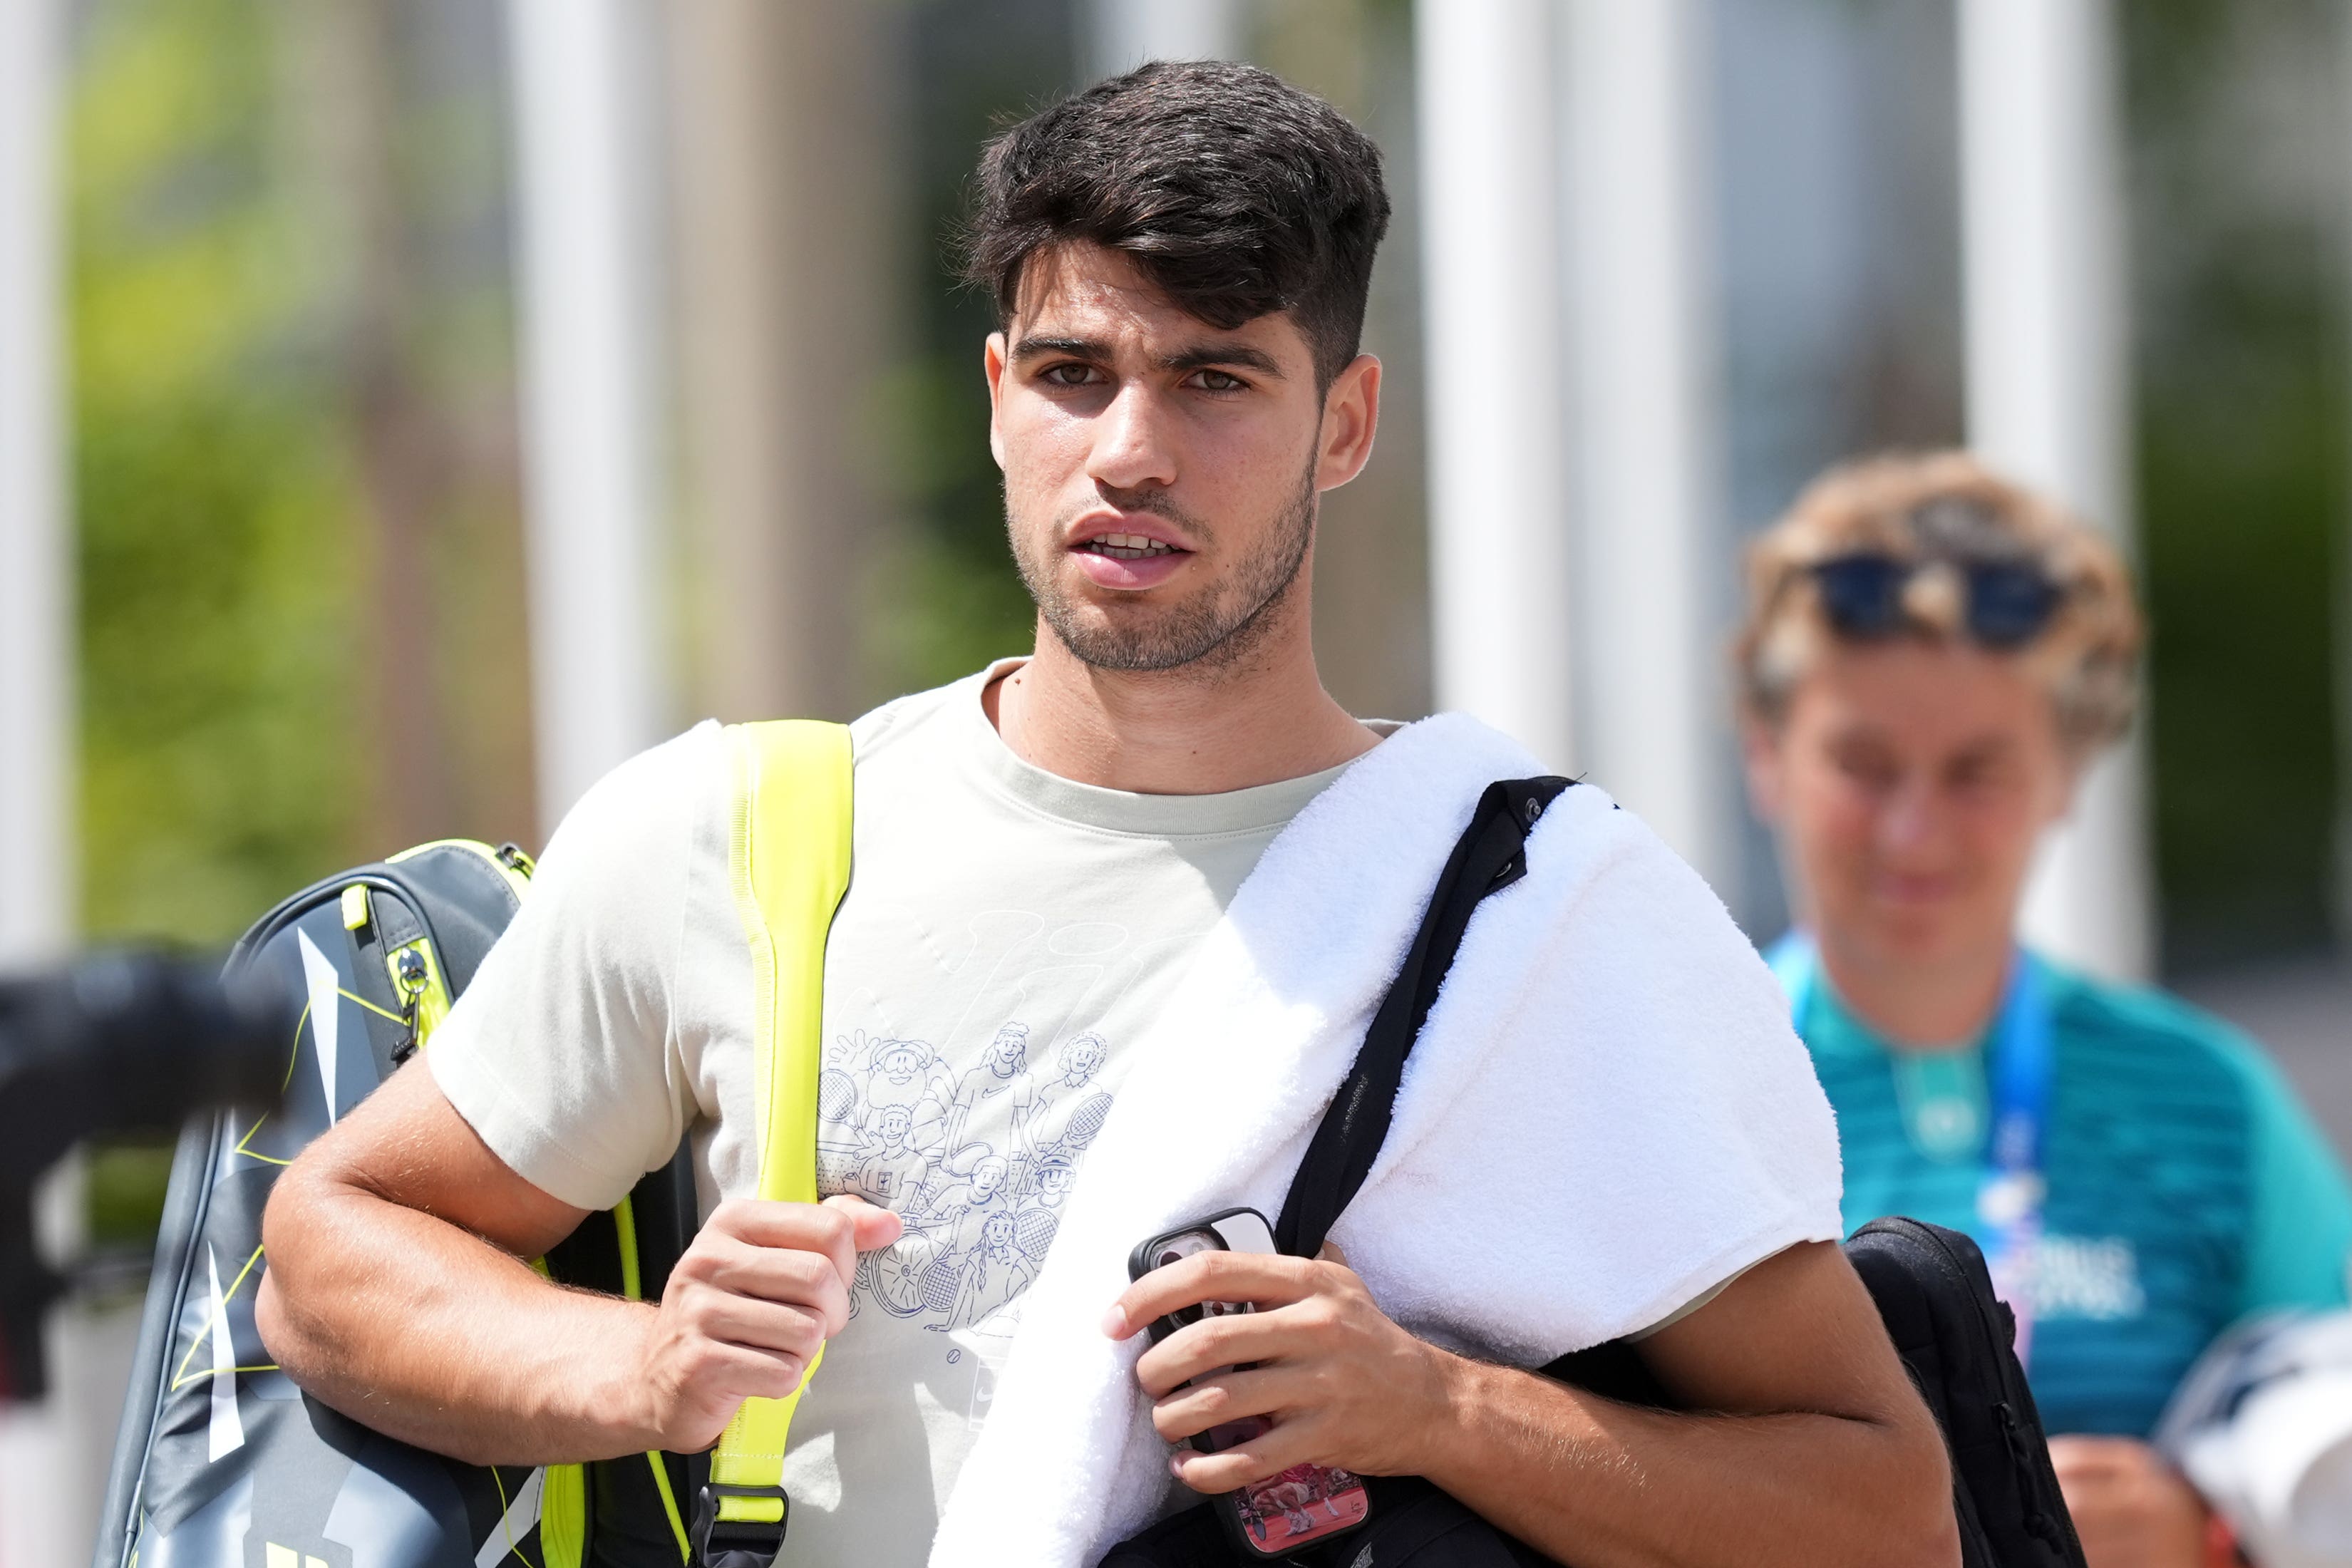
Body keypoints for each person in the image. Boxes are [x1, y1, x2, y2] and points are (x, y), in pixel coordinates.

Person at [257, 61, 1956, 1567]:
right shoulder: (747, 839)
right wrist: (638, 1366)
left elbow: (1886, 1510)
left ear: (1342, 424)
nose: (1129, 449)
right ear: (998, 395)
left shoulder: (1538, 910)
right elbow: (330, 1251)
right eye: (1074, 372)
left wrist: (1436, 1407)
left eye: (1216, 381)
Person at [1735, 451, 2352, 1568]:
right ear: (1765, 751)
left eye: (1977, 771)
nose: (1913, 832)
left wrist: (2211, 1530)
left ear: (2067, 771)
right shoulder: (1683, 1089)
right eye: (1864, 766)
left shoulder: (2210, 1096)